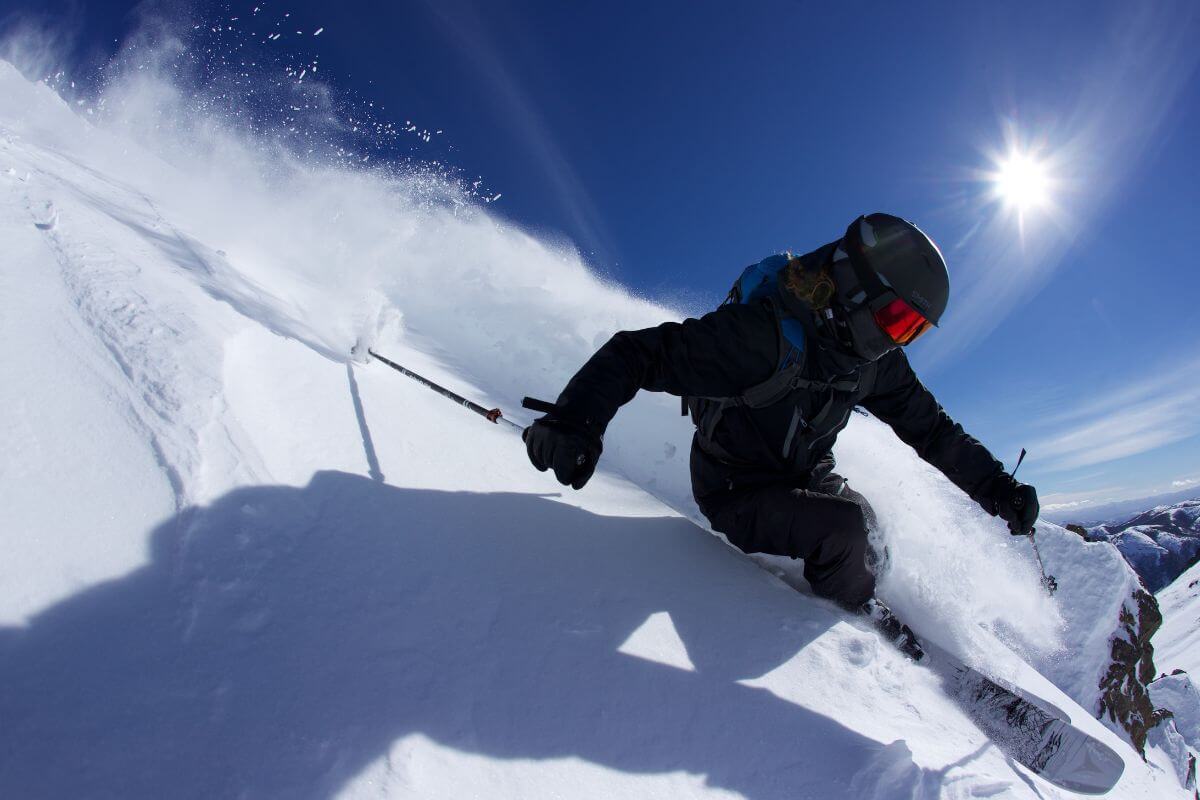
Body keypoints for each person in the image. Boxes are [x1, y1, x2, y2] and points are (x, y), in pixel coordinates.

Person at [522, 213, 1039, 659]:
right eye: (897, 319)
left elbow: (933, 431)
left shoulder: (874, 365)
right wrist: (575, 421)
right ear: (858, 290)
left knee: (872, 533)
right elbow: (639, 353)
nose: (896, 341)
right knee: (846, 531)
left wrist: (997, 488)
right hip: (734, 489)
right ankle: (849, 627)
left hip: (805, 472)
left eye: (912, 331)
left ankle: (857, 588)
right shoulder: (762, 337)